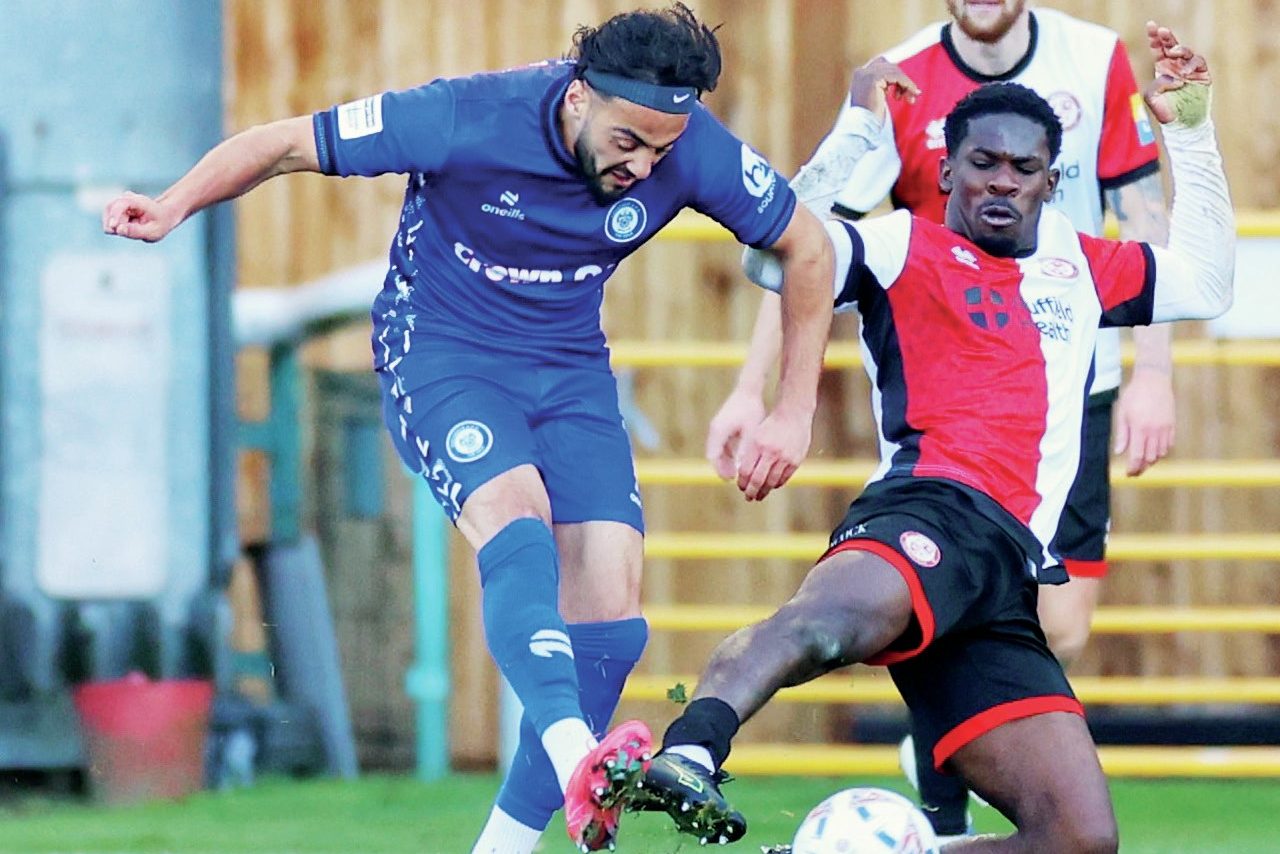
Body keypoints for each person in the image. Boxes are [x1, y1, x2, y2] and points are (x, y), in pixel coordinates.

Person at [102, 5, 835, 851]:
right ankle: (575, 756)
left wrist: (793, 408)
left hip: (569, 367)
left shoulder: (691, 146)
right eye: (627, 142)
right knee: (516, 522)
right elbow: (284, 142)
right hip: (442, 352)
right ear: (578, 96)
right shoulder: (465, 113)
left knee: (612, 603)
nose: (643, 166)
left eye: (661, 151)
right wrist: (171, 207)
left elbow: (807, 250)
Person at [637, 23, 1230, 852]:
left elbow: (1206, 281)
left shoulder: (1082, 264)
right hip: (930, 511)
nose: (1001, 182)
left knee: (1079, 840)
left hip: (1007, 576)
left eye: (1024, 170)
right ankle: (692, 747)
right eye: (982, 163)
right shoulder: (899, 243)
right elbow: (780, 260)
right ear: (946, 169)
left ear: (1049, 183)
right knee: (827, 625)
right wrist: (854, 130)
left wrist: (1192, 130)